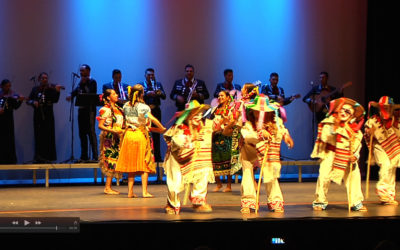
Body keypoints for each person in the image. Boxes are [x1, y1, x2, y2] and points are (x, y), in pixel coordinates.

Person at [239, 95, 294, 213]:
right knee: (248, 173)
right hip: (250, 151)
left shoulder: (276, 122)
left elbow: (282, 130)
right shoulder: (249, 124)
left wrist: (286, 136)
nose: (261, 114)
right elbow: (247, 136)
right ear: (253, 111)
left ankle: (275, 201)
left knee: (271, 173)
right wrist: (260, 134)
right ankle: (248, 201)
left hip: (266, 153)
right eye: (258, 111)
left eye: (264, 112)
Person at [311, 97, 367, 211]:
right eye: (342, 109)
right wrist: (334, 129)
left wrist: (355, 156)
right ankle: (320, 201)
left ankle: (356, 202)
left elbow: (358, 145)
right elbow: (324, 137)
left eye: (347, 111)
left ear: (351, 116)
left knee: (353, 176)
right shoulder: (330, 121)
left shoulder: (354, 130)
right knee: (324, 176)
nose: (343, 112)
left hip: (346, 154)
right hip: (330, 153)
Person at [163, 100, 214, 214]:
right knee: (175, 181)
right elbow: (178, 142)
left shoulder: (204, 126)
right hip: (177, 157)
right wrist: (192, 139)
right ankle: (172, 203)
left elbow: (217, 126)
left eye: (200, 114)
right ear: (188, 115)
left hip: (195, 157)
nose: (199, 116)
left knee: (203, 172)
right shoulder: (178, 128)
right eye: (196, 114)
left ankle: (198, 202)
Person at [115, 84, 166, 198]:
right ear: (141, 94)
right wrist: (161, 128)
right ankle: (144, 191)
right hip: (139, 134)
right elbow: (151, 118)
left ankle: (130, 192)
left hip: (128, 135)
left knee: (131, 164)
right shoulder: (144, 107)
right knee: (144, 161)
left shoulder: (126, 106)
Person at [364, 96, 400, 205]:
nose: (387, 109)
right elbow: (367, 134)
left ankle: (389, 195)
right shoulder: (373, 120)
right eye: (385, 107)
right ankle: (383, 192)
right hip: (379, 147)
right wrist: (369, 132)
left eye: (389, 107)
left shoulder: (396, 120)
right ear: (380, 108)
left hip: (393, 147)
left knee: (392, 168)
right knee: (386, 165)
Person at [27, 73, 62, 163]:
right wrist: (33, 102)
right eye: (43, 78)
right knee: (38, 135)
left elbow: (55, 100)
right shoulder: (35, 89)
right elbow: (28, 100)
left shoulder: (50, 89)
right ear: (39, 79)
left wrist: (57, 91)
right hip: (38, 114)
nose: (45, 80)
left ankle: (48, 157)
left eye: (46, 78)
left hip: (48, 114)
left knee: (48, 135)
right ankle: (39, 156)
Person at [66, 64, 98, 162]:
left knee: (91, 133)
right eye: (80, 71)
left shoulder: (92, 82)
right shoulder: (80, 83)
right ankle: (84, 156)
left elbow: (91, 93)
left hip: (90, 111)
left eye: (83, 71)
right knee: (82, 134)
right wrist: (70, 95)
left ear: (88, 71)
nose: (81, 72)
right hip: (81, 111)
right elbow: (75, 92)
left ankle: (95, 156)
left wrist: (84, 84)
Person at [97, 89, 125, 195]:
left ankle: (109, 186)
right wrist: (112, 130)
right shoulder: (105, 109)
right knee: (110, 159)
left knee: (116, 160)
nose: (117, 95)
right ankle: (107, 187)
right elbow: (100, 126)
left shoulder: (118, 108)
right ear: (108, 97)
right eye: (114, 94)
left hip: (118, 136)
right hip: (109, 136)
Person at [210, 90, 235, 192]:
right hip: (215, 137)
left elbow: (233, 121)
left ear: (228, 97)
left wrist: (224, 124)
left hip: (226, 137)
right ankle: (219, 183)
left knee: (228, 160)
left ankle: (229, 185)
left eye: (222, 96)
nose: (220, 97)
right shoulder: (215, 109)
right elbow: (210, 121)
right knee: (214, 160)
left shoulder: (230, 109)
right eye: (219, 96)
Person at [140, 68, 166, 162]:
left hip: (155, 110)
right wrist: (147, 94)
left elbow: (164, 96)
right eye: (149, 75)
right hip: (145, 111)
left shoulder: (158, 84)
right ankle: (145, 157)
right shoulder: (141, 85)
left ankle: (158, 157)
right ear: (145, 75)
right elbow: (138, 96)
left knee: (157, 134)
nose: (151, 77)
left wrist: (159, 92)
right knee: (145, 133)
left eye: (152, 75)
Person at [0, 79, 25, 164]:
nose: (8, 88)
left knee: (9, 139)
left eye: (9, 86)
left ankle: (10, 161)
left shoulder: (11, 95)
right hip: (0, 121)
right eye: (7, 86)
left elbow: (16, 106)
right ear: (2, 86)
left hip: (9, 120)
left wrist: (20, 100)